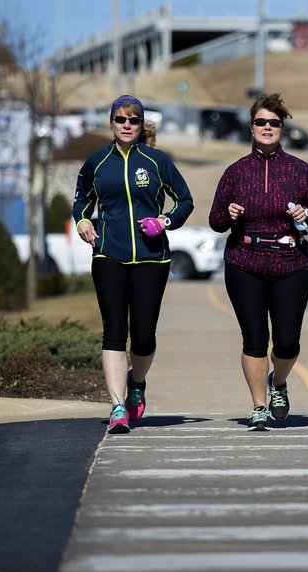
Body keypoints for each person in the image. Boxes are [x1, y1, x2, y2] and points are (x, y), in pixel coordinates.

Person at [73, 95, 194, 434]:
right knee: (114, 332)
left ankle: (136, 382)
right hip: (108, 254)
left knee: (143, 337)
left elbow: (185, 201)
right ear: (111, 123)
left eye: (133, 120)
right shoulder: (96, 162)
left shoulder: (157, 161)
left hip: (152, 258)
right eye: (120, 119)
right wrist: (83, 221)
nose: (126, 125)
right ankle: (116, 407)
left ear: (141, 125)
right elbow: (81, 198)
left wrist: (165, 222)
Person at [208, 93, 308, 431]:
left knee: (287, 342)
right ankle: (259, 405)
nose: (268, 128)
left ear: (282, 128)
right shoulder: (235, 172)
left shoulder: (300, 170)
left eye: (274, 123)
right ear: (252, 127)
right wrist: (227, 214)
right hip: (245, 261)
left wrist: (307, 213)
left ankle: (280, 381)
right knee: (255, 339)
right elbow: (215, 219)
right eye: (262, 122)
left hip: (291, 262)